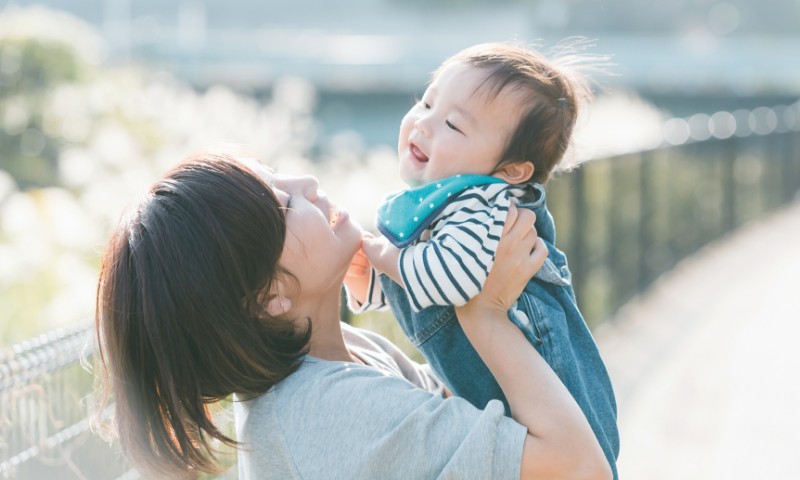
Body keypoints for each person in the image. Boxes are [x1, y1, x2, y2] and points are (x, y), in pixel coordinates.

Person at [93, 152, 610, 479]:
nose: (310, 183)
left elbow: (475, 416)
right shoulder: (328, 409)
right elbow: (581, 468)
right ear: (268, 294)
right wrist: (486, 316)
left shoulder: (342, 355)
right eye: (285, 204)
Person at [347, 42, 620, 478]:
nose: (424, 124)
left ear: (512, 171)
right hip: (514, 414)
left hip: (554, 413)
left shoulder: (483, 204)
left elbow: (447, 280)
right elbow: (419, 283)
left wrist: (381, 254)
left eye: (453, 124)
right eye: (426, 101)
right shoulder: (444, 206)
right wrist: (367, 279)